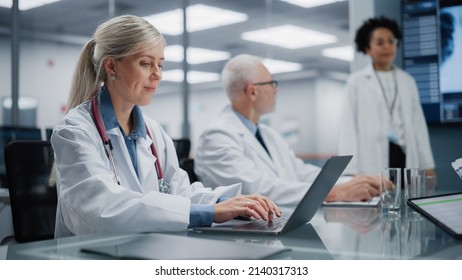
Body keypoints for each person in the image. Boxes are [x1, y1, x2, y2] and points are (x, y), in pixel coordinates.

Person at [50, 15, 280, 238]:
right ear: (111, 67)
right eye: (146, 63)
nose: (157, 74)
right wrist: (209, 213)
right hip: (89, 256)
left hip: (144, 247)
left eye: (160, 65)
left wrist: (228, 203)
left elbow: (179, 191)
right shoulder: (75, 131)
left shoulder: (153, 131)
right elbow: (103, 208)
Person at [194, 54, 380, 213]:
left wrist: (355, 182)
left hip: (279, 221)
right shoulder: (217, 136)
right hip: (242, 238)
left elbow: (300, 172)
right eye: (272, 83)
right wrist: (336, 192)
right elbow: (256, 190)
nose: (276, 89)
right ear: (252, 91)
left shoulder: (267, 134)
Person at [337, 16, 435, 177]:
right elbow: (348, 129)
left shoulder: (407, 81)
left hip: (404, 155)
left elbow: (418, 125)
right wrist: (350, 172)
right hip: (372, 159)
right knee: (380, 199)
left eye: (391, 41)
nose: (387, 47)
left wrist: (427, 164)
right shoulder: (356, 82)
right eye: (380, 43)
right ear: (367, 48)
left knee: (407, 198)